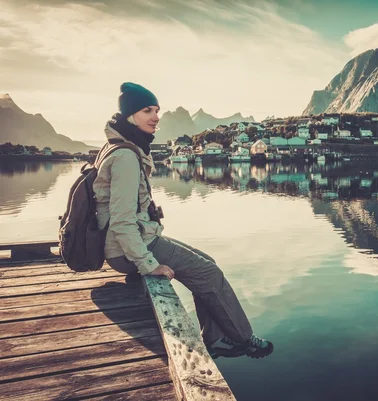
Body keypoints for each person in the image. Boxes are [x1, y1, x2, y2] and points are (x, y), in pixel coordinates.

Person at [93, 82, 273, 359]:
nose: (156, 117)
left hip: (134, 240)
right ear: (129, 115)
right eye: (147, 111)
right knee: (208, 274)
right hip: (126, 248)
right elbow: (121, 222)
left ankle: (215, 338)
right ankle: (242, 340)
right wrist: (147, 264)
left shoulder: (119, 147)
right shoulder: (126, 157)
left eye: (157, 110)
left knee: (207, 263)